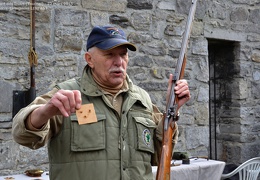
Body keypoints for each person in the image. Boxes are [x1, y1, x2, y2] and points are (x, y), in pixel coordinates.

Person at [12, 25, 191, 180]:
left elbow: (158, 156)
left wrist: (172, 109)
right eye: (109, 54)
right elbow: (22, 134)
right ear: (89, 59)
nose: (119, 62)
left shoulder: (142, 99)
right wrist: (46, 111)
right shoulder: (67, 94)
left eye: (123, 54)